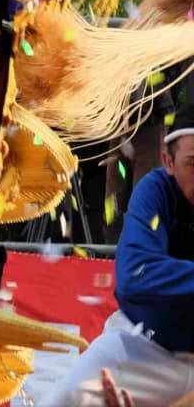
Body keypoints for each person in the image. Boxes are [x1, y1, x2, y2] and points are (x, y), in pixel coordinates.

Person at [46, 101, 194, 405]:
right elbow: (135, 276)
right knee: (64, 399)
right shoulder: (155, 190)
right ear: (168, 161)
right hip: (145, 348)